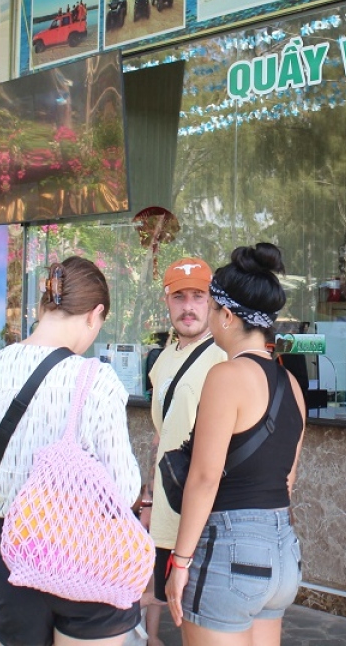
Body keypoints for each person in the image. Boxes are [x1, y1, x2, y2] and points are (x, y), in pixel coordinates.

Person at [0, 257, 142, 646]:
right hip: (87, 553)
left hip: (17, 553)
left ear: (41, 308)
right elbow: (123, 490)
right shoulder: (96, 379)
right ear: (96, 314)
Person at [165, 243, 306, 644]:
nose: (207, 316)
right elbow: (288, 479)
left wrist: (180, 562)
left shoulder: (226, 376)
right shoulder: (290, 384)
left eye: (210, 307)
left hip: (231, 549)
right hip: (281, 553)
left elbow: (205, 477)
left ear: (227, 315)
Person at [142, 258, 226, 646]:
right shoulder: (161, 360)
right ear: (167, 301)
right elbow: (161, 438)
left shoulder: (224, 358)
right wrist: (148, 498)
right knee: (176, 613)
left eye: (198, 296)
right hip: (167, 512)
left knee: (202, 623)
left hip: (204, 519)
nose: (188, 306)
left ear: (212, 301)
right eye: (180, 297)